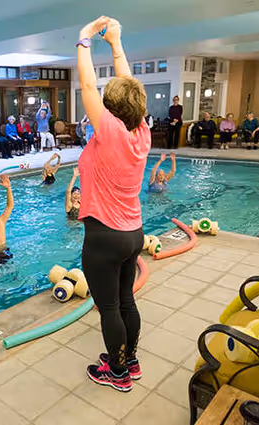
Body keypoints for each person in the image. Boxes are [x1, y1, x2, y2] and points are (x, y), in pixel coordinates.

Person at [77, 16, 151, 392]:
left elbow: (88, 83)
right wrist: (117, 43)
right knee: (126, 301)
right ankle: (129, 361)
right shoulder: (142, 132)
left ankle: (117, 374)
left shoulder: (107, 131)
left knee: (109, 308)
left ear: (110, 109)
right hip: (133, 233)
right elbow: (130, 87)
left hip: (104, 237)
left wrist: (85, 40)